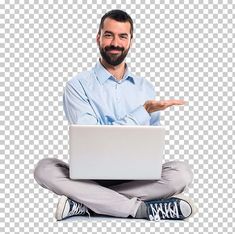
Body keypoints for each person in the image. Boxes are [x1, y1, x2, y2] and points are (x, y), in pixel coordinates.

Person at [34, 9, 197, 221]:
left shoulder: (145, 88)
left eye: (123, 36)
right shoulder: (77, 85)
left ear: (130, 41)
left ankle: (86, 205)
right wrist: (143, 112)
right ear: (98, 38)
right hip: (89, 177)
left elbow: (150, 143)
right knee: (44, 169)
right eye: (109, 35)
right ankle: (141, 210)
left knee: (181, 174)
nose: (115, 43)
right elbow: (91, 137)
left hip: (134, 178)